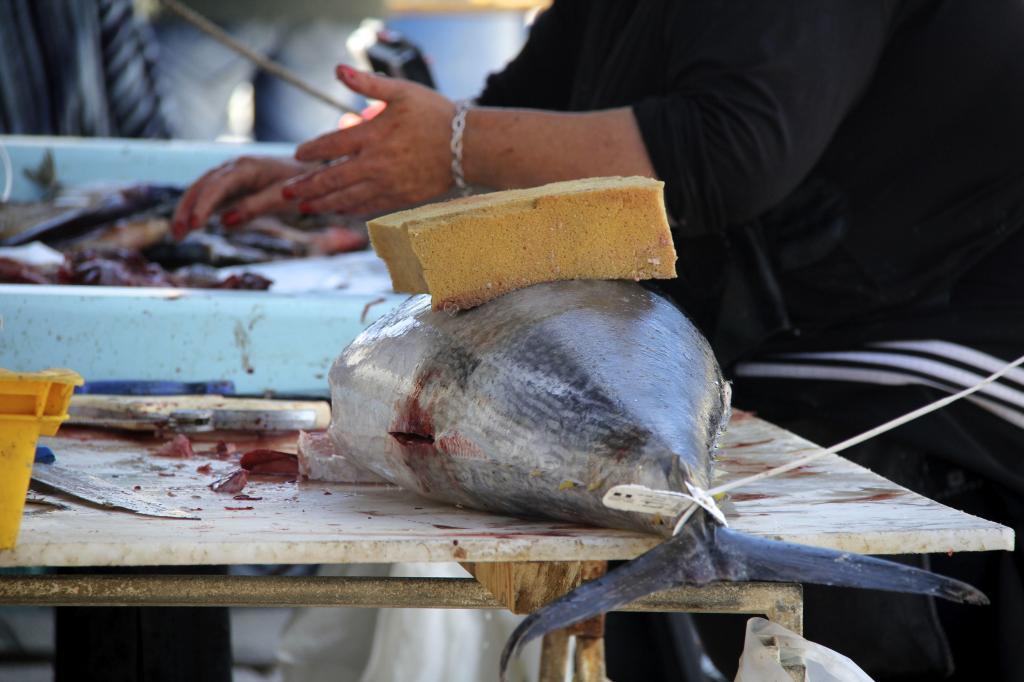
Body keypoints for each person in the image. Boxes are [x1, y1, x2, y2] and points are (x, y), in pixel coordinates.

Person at [175, 2, 1024, 679]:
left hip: (933, 353)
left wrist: (455, 148)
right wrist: (345, 170)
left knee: (772, 595)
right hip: (774, 329)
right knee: (635, 526)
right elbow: (524, 109)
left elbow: (732, 148)